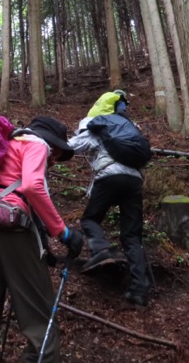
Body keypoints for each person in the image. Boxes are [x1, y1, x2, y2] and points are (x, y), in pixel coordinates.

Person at [0, 116, 84, 363]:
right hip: (12, 230)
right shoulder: (36, 144)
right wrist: (63, 232)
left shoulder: (2, 145)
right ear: (53, 145)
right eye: (57, 153)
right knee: (41, 320)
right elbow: (32, 186)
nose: (55, 159)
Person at [68, 90, 153, 307]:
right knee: (132, 236)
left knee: (90, 219)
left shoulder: (95, 128)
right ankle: (139, 290)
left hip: (109, 177)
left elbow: (70, 147)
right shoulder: (125, 128)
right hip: (134, 180)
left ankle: (101, 251)